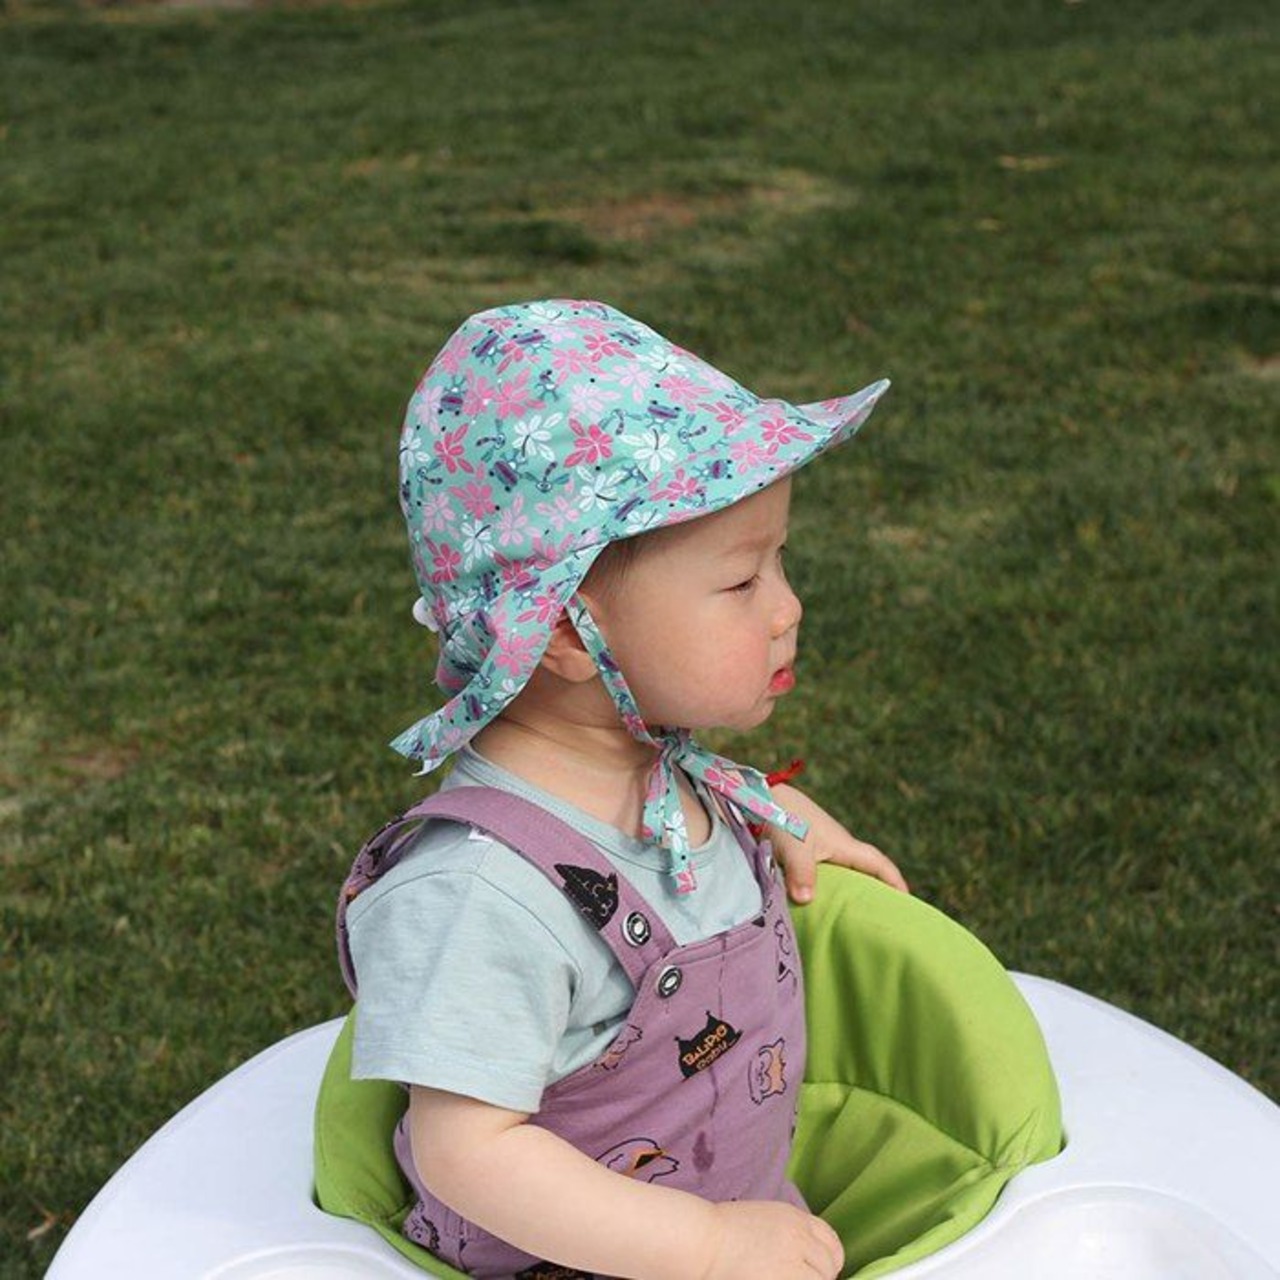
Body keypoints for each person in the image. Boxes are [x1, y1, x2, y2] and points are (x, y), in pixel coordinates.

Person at [338, 298, 907, 1280]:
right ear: (567, 629)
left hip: (744, 1236)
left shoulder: (657, 768)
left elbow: (707, 802)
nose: (787, 608)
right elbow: (467, 1152)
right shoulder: (480, 895)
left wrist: (789, 822)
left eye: (779, 563)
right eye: (741, 582)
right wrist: (708, 1248)